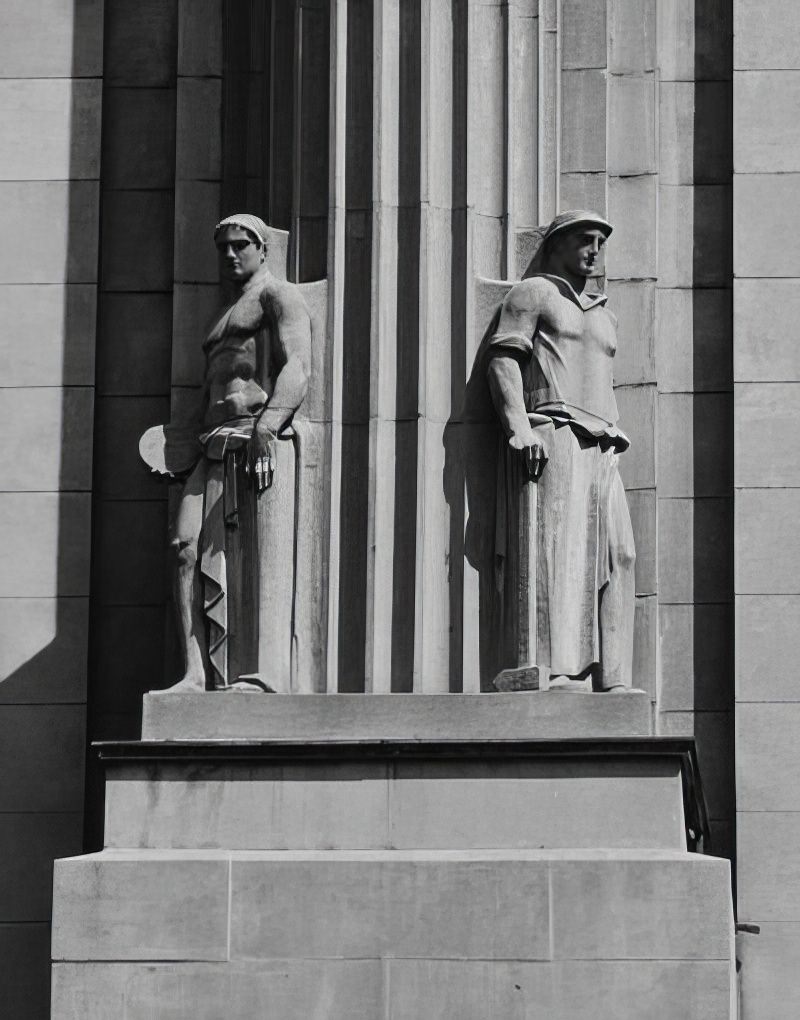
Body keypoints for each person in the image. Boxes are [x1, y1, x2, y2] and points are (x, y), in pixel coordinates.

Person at [464, 210, 636, 692]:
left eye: (602, 240)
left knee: (620, 555)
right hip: (556, 433)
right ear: (558, 243)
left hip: (603, 444)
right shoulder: (534, 293)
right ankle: (560, 670)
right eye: (586, 239)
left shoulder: (605, 313)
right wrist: (519, 427)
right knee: (561, 556)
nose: (596, 249)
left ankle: (615, 677)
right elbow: (504, 359)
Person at [140, 214, 312, 692]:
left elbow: (298, 364)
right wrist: (176, 450)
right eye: (223, 247)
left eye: (240, 245)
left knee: (247, 556)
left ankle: (258, 672)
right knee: (183, 548)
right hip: (209, 443)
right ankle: (195, 672)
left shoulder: (278, 296)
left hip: (249, 437)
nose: (230, 254)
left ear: (262, 248)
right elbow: (206, 390)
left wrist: (269, 427)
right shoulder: (222, 313)